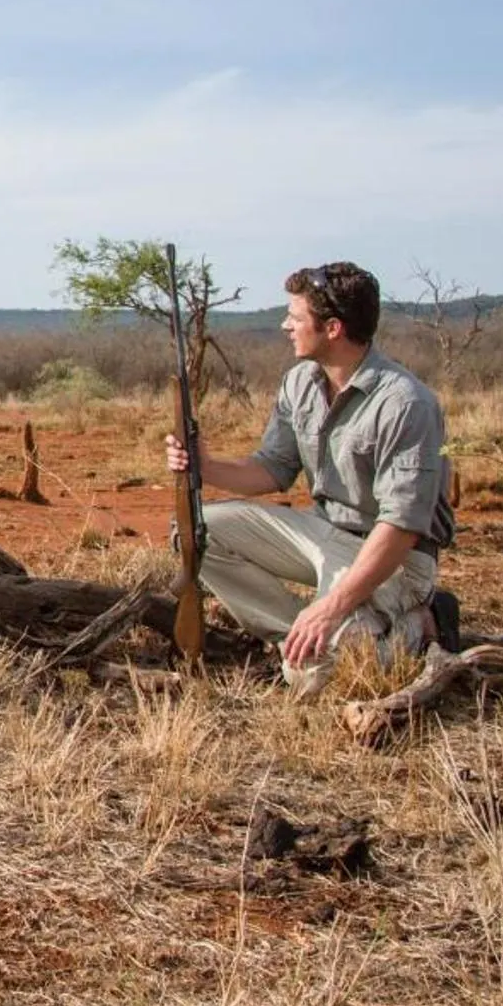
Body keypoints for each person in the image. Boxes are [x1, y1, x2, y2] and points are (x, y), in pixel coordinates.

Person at [165, 261, 454, 691]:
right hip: (322, 532)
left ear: (333, 328)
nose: (285, 325)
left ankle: (418, 626)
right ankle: (296, 637)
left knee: (312, 677)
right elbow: (272, 469)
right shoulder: (299, 382)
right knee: (196, 532)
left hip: (391, 556)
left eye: (296, 317)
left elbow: (401, 527)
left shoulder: (405, 402)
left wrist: (331, 607)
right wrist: (205, 466)